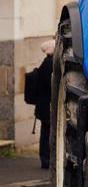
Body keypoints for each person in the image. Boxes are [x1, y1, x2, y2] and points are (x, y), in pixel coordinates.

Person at [26, 41, 54, 169]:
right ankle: (46, 159)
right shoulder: (50, 65)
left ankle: (45, 158)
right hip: (47, 106)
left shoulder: (45, 63)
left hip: (43, 106)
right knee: (46, 133)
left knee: (45, 132)